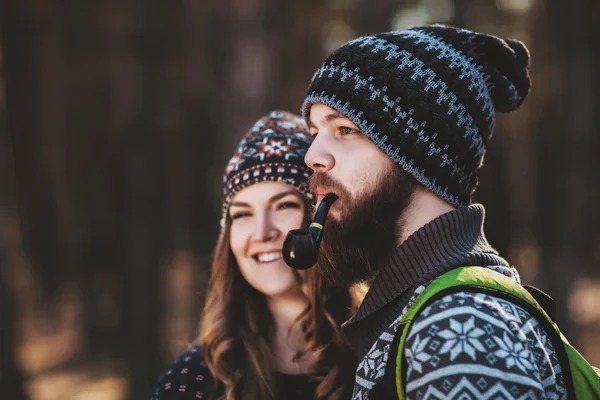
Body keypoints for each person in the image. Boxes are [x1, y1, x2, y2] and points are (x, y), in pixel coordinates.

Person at [296, 25, 577, 399]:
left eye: (345, 129)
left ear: (420, 156)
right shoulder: (429, 310)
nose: (312, 156)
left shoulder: (461, 330)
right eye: (315, 132)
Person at [152, 111, 362, 400]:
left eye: (284, 206)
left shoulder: (381, 355)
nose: (262, 233)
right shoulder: (191, 381)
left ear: (322, 219)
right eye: (243, 214)